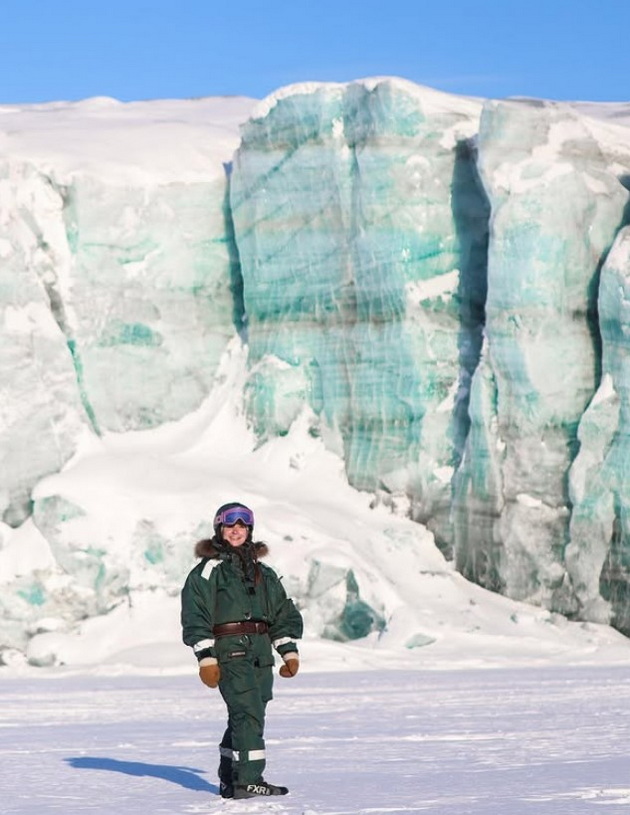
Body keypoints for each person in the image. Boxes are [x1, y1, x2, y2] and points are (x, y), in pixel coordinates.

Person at [181, 501, 304, 800]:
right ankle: (249, 780)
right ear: (219, 530)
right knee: (247, 712)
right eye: (229, 526)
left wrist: (288, 651)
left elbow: (280, 612)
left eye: (241, 526)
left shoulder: (264, 573)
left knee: (249, 712)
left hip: (261, 652)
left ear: (249, 530)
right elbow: (196, 613)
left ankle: (230, 775)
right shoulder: (209, 571)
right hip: (230, 651)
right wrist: (205, 657)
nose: (236, 531)